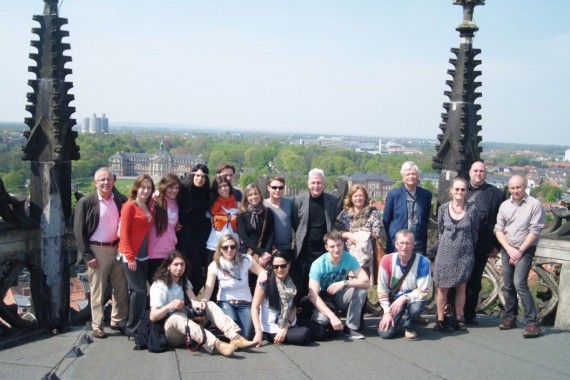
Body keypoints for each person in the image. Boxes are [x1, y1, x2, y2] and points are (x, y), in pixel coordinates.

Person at [149, 251, 256, 357]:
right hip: (170, 328)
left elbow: (194, 302)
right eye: (175, 264)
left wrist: (199, 309)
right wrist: (169, 306)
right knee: (177, 317)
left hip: (187, 323)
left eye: (182, 264)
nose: (179, 268)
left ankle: (236, 337)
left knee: (209, 304)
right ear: (168, 266)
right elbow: (153, 316)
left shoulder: (184, 281)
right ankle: (217, 345)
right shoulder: (159, 286)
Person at [74, 167, 127, 339]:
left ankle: (118, 321)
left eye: (109, 179)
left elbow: (138, 203)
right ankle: (97, 325)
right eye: (102, 180)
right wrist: (87, 255)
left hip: (118, 248)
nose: (106, 182)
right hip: (97, 249)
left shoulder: (119, 200)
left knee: (120, 288)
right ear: (95, 182)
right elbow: (78, 230)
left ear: (114, 181)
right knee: (98, 290)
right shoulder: (86, 201)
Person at [494, 175, 545, 338]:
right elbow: (498, 229)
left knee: (519, 284)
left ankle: (532, 323)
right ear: (509, 188)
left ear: (524, 187)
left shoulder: (534, 205)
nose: (515, 191)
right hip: (508, 248)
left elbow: (535, 232)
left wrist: (520, 251)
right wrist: (509, 249)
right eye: (512, 188)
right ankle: (510, 317)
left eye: (518, 187)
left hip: (526, 249)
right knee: (508, 285)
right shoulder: (504, 206)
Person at [433, 177, 479, 332]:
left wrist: (466, 247)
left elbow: (474, 233)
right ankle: (440, 319)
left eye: (463, 189)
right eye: (457, 189)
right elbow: (440, 231)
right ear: (451, 190)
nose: (460, 192)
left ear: (466, 191)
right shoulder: (443, 209)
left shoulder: (472, 210)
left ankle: (459, 318)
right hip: (445, 253)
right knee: (443, 288)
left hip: (464, 254)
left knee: (461, 288)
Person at [252, 250, 325, 346]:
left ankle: (296, 329)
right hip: (272, 327)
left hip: (289, 321)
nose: (279, 269)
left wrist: (286, 327)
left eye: (283, 266)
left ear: (289, 264)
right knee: (304, 334)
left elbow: (294, 307)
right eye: (276, 266)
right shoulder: (265, 282)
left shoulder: (293, 281)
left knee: (321, 333)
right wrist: (258, 332)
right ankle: (271, 336)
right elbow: (255, 307)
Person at [463, 161, 506, 324]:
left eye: (481, 171)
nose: (478, 173)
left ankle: (469, 313)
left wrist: (497, 246)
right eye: (475, 170)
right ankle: (455, 311)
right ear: (470, 172)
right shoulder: (460, 189)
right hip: (460, 245)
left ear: (485, 173)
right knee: (458, 279)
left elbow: (501, 222)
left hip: (481, 245)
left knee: (474, 280)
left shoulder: (496, 194)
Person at [202, 234, 267, 339]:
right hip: (226, 302)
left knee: (246, 335)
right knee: (233, 329)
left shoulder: (246, 259)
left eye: (232, 247)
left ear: (237, 248)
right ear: (220, 249)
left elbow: (262, 272)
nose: (229, 250)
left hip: (245, 303)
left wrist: (262, 278)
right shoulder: (215, 265)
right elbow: (208, 290)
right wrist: (203, 302)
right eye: (225, 247)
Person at [294, 168, 347, 297]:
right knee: (303, 281)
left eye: (319, 183)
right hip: (305, 249)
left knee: (322, 281)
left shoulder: (332, 201)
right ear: (308, 183)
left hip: (324, 249)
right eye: (313, 183)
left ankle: (320, 309)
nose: (316, 186)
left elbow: (334, 221)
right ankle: (302, 310)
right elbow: (295, 223)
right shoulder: (298, 200)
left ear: (324, 184)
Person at [308, 230, 369, 340]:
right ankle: (317, 317)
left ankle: (351, 328)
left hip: (338, 294)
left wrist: (345, 283)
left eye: (339, 245)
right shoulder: (318, 264)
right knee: (323, 320)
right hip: (323, 298)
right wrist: (331, 316)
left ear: (343, 244)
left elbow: (366, 281)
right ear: (326, 247)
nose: (336, 249)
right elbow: (313, 296)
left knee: (361, 290)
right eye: (332, 246)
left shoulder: (349, 258)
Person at [377, 229, 431, 340]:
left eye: (408, 243)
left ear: (413, 245)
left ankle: (409, 326)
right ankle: (397, 319)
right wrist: (387, 312)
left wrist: (404, 298)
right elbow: (382, 289)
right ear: (396, 245)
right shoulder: (386, 260)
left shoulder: (423, 262)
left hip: (412, 299)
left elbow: (423, 290)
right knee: (385, 334)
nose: (404, 246)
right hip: (394, 299)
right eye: (401, 243)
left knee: (415, 308)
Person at [118, 174, 155, 337]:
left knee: (144, 291)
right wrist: (130, 257)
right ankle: (131, 328)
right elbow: (124, 234)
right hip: (130, 255)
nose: (146, 191)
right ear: (137, 188)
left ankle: (140, 323)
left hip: (144, 254)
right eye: (143, 187)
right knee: (138, 291)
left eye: (149, 188)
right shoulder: (129, 206)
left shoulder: (148, 205)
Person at [383, 161, 432, 255]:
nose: (410, 177)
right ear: (403, 177)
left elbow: (425, 219)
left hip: (418, 244)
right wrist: (394, 234)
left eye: (413, 174)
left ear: (417, 176)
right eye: (407, 174)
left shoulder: (426, 195)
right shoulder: (394, 194)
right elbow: (386, 219)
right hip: (398, 245)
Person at [177, 164, 211, 294]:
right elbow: (169, 193)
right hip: (185, 237)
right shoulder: (183, 189)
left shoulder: (207, 192)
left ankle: (188, 300)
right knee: (190, 272)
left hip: (202, 238)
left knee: (200, 276)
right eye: (197, 175)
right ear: (192, 176)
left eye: (203, 176)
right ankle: (183, 300)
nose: (200, 179)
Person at [335, 184, 382, 278]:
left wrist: (361, 238)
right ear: (351, 198)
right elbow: (336, 232)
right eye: (355, 196)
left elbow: (377, 233)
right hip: (349, 254)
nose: (358, 198)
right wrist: (348, 235)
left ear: (365, 197)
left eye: (361, 195)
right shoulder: (344, 214)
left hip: (367, 255)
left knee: (365, 283)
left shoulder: (372, 212)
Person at [147, 173, 181, 283]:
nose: (174, 191)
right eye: (171, 187)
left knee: (167, 288)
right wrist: (154, 194)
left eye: (177, 188)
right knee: (156, 288)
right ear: (164, 186)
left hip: (170, 252)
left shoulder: (177, 203)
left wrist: (176, 226)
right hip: (154, 253)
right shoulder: (154, 201)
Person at [238, 183, 275, 268]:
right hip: (248, 253)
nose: (253, 196)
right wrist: (260, 253)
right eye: (250, 195)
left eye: (256, 193)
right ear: (246, 197)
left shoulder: (268, 212)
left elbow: (271, 234)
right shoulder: (242, 214)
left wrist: (265, 253)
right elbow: (244, 236)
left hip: (266, 253)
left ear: (260, 195)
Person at [263, 176, 298, 255]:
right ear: (268, 188)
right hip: (268, 249)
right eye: (274, 187)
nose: (277, 190)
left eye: (280, 187)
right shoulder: (263, 205)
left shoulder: (290, 203)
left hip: (287, 248)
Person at [206, 176, 239, 253]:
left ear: (229, 187)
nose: (223, 189)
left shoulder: (237, 204)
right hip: (215, 245)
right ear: (216, 190)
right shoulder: (212, 205)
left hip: (233, 245)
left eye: (225, 185)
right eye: (219, 187)